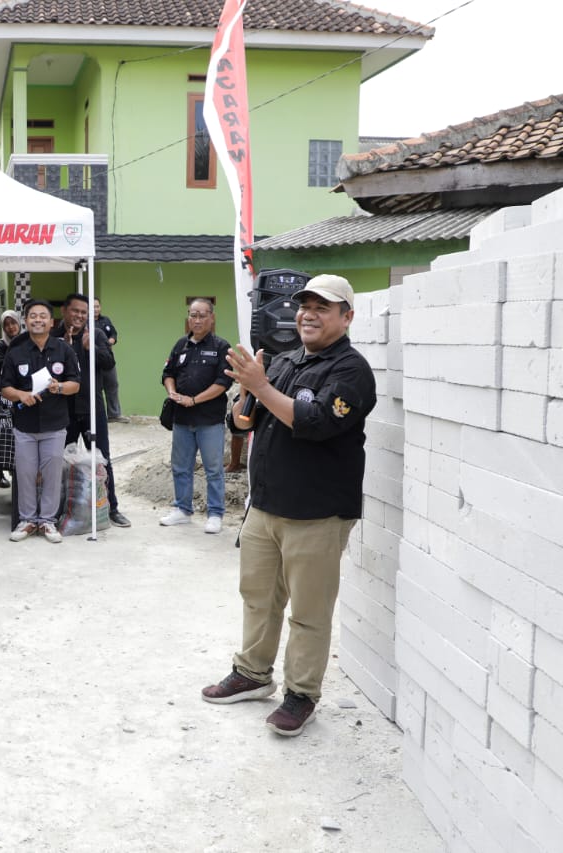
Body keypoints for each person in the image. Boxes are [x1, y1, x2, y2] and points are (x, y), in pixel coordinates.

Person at [202, 275, 376, 737]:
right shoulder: (281, 362)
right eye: (304, 306)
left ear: (347, 317)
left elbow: (315, 422)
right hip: (267, 506)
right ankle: (253, 674)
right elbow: (243, 423)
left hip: (318, 513)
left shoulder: (351, 371)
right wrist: (245, 391)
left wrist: (259, 386)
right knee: (258, 596)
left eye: (323, 307)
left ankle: (301, 695)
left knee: (309, 611)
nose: (308, 314)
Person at [0, 299, 80, 543]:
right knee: (25, 472)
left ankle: (47, 521)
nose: (37, 320)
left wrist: (59, 387)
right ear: (26, 321)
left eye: (43, 316)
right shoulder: (16, 352)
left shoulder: (64, 349)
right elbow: (5, 388)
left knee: (52, 474)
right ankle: (27, 520)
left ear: (51, 321)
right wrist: (21, 394)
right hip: (24, 425)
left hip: (55, 425)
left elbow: (75, 384)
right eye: (33, 316)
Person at [54, 293, 130, 528]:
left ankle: (112, 507)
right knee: (58, 460)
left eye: (83, 312)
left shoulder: (95, 334)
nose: (79, 316)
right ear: (64, 311)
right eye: (75, 311)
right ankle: (57, 510)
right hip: (62, 409)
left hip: (92, 408)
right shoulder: (54, 336)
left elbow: (109, 363)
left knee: (102, 461)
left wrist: (91, 349)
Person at [159, 299, 233, 534]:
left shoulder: (221, 347)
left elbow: (223, 383)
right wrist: (172, 392)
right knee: (181, 467)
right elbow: (167, 373)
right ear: (188, 318)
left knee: (213, 469)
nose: (197, 320)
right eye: (193, 315)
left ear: (212, 318)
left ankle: (215, 513)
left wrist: (194, 400)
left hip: (209, 420)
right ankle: (182, 509)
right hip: (181, 419)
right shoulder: (181, 345)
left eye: (202, 315)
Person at [0, 309, 23, 489]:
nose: (10, 327)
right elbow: (0, 365)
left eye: (13, 323)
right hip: (3, 395)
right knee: (2, 432)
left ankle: (16, 469)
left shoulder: (28, 341)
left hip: (22, 392)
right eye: (6, 325)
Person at [94, 298, 126, 422]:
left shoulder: (105, 320)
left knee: (112, 385)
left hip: (108, 360)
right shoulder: (85, 323)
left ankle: (114, 414)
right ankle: (96, 415)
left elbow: (113, 333)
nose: (95, 309)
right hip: (93, 360)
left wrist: (112, 340)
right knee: (95, 388)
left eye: (97, 306)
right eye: (92, 306)